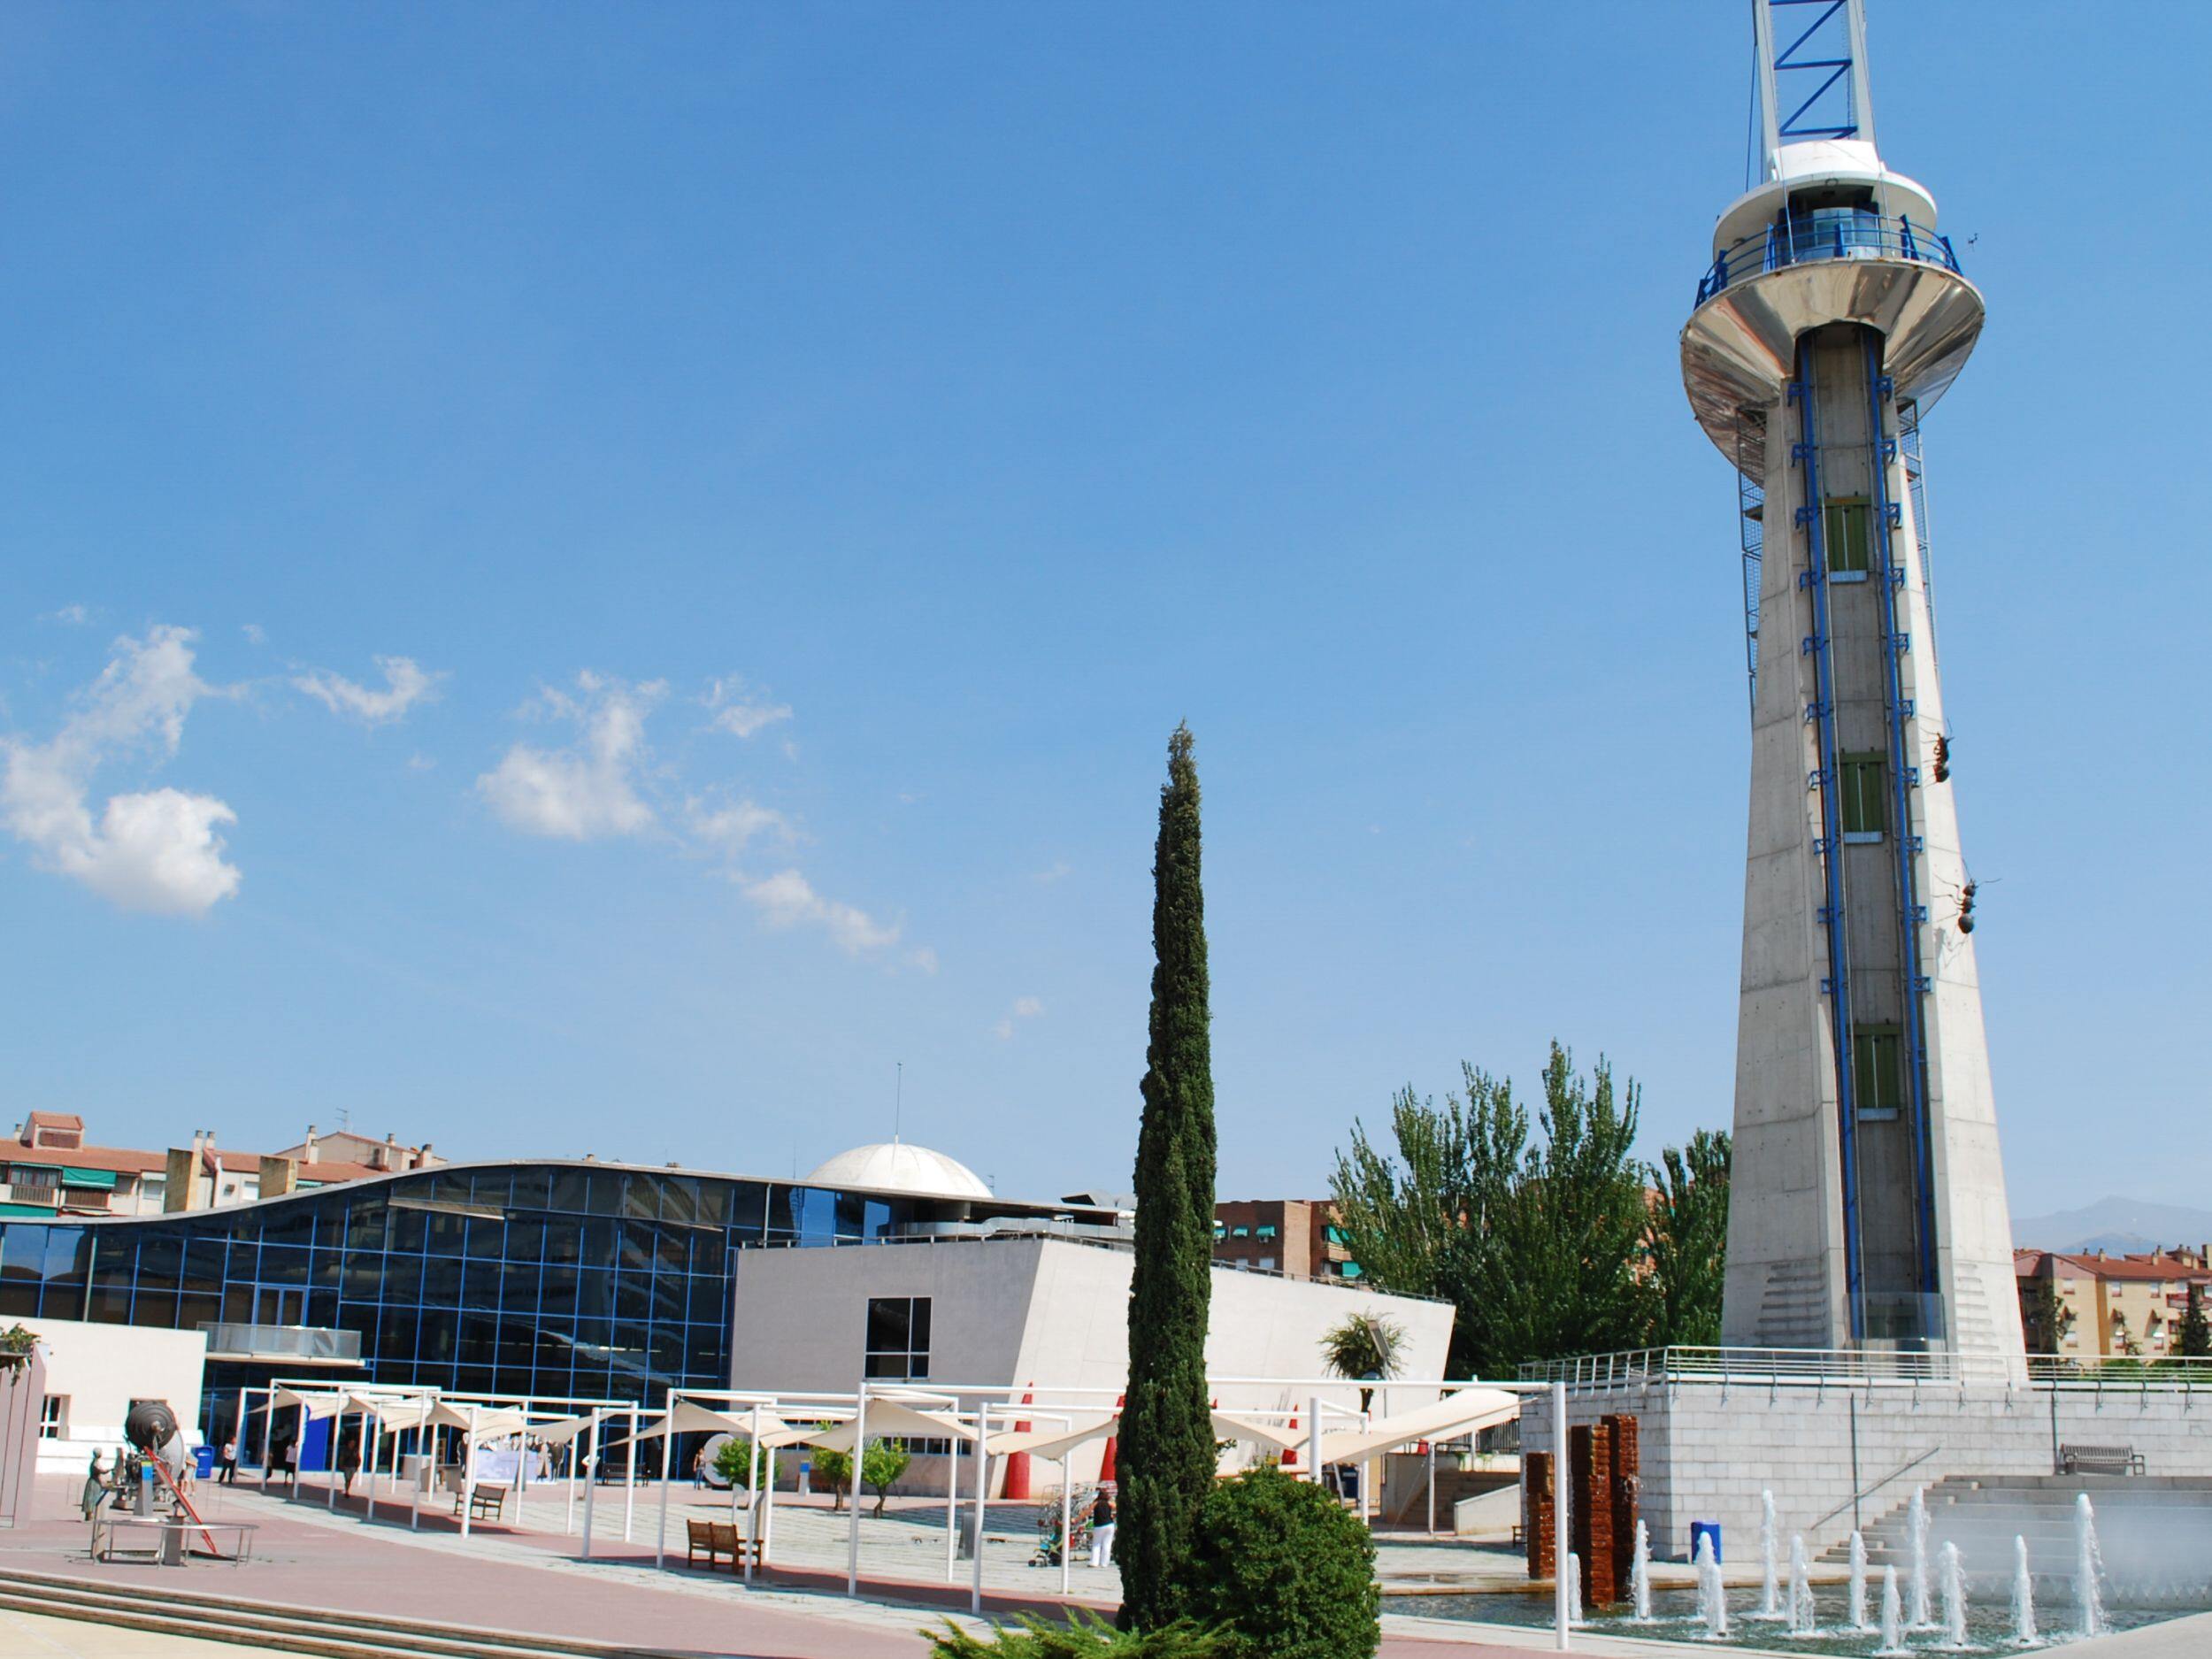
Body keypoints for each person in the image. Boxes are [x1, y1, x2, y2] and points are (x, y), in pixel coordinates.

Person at [1087, 1488, 1116, 1569]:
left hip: (1099, 1525)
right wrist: (1114, 1515)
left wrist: (1078, 1518)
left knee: (1096, 1544)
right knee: (1107, 1544)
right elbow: (1117, 1508)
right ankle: (1104, 1563)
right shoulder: (1109, 1503)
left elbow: (1088, 1511)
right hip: (1109, 1524)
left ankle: (1094, 1562)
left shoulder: (1096, 1503)